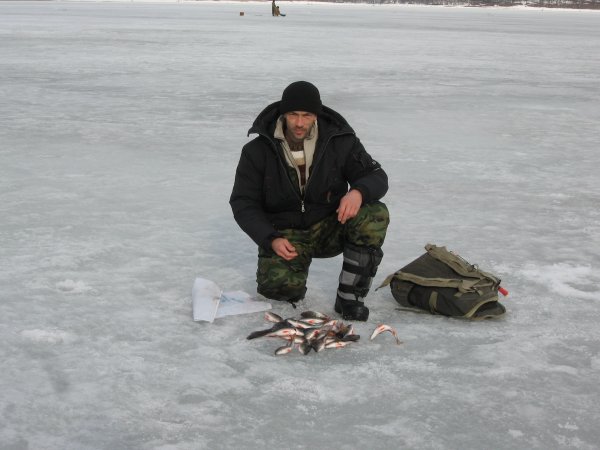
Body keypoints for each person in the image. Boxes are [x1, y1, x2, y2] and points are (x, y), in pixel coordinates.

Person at [230, 81, 389, 321]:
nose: (300, 123)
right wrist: (270, 238)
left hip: (329, 225)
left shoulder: (339, 141)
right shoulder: (257, 151)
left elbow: (376, 176)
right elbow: (243, 202)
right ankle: (290, 278)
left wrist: (358, 192)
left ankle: (350, 296)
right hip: (285, 235)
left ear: (317, 114)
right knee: (279, 290)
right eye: (293, 114)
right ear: (284, 113)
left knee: (373, 213)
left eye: (307, 115)